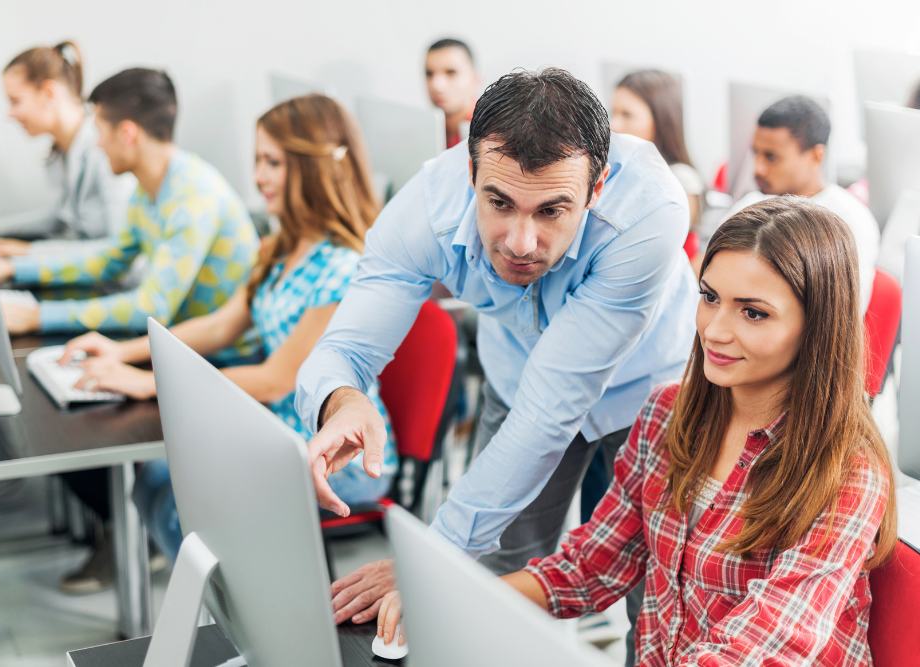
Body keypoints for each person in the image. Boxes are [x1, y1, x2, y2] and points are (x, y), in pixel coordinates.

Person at [376, 197, 898, 666]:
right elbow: (590, 567)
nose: (715, 330)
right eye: (710, 297)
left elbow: (765, 644)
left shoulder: (846, 470)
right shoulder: (667, 415)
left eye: (754, 313)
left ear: (817, 328)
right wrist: (441, 593)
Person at [297, 68, 698, 665]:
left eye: (551, 211)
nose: (520, 241)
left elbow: (551, 410)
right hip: (516, 383)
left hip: (649, 397)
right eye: (500, 202)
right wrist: (342, 399)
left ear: (597, 189)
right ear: (471, 174)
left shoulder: (648, 210)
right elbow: (343, 349)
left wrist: (430, 559)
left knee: (659, 602)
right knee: (493, 582)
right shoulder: (426, 210)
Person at [59, 94, 398, 564]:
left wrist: (146, 382)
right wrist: (125, 353)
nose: (258, 176)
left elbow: (277, 378)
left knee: (182, 504)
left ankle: (255, 616)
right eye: (258, 160)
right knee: (159, 476)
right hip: (270, 426)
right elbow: (221, 326)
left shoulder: (342, 268)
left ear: (313, 169)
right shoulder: (278, 246)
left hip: (338, 453)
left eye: (273, 162)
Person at [0, 68, 259, 350]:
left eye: (100, 131)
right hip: (178, 351)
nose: (98, 143)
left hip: (221, 364)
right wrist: (16, 270)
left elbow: (150, 308)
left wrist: (39, 317)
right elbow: (110, 259)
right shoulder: (150, 187)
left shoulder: (193, 198)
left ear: (128, 134)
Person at [725, 95, 879, 308]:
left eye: (771, 157)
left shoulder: (850, 220)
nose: (758, 168)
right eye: (756, 154)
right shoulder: (749, 205)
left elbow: (845, 310)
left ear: (816, 156)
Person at [0, 40, 135, 257]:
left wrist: (30, 252)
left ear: (48, 92)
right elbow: (62, 216)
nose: (9, 114)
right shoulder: (67, 148)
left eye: (15, 101)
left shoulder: (105, 148)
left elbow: (120, 248)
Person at [610, 70, 703, 238]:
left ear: (661, 121)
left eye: (627, 115)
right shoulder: (616, 170)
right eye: (613, 113)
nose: (614, 125)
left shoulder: (682, 179)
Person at [425, 38, 480, 148]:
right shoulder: (423, 133)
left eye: (451, 72)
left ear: (475, 79)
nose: (437, 86)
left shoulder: (496, 134)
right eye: (429, 74)